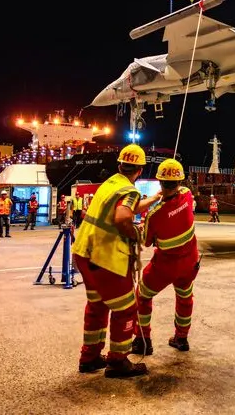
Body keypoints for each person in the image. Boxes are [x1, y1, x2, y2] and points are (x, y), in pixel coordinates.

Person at [70, 144, 160, 378]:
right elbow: (123, 217)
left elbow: (125, 208)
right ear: (139, 170)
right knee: (126, 309)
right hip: (105, 257)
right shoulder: (128, 191)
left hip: (84, 253)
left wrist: (153, 199)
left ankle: (89, 357)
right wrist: (136, 234)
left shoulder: (110, 185)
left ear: (120, 165)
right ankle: (118, 361)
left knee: (97, 306)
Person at [132, 159, 199, 355]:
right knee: (185, 298)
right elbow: (180, 193)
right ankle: (182, 338)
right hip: (189, 264)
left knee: (142, 296)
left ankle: (143, 340)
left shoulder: (154, 215)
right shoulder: (187, 195)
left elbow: (146, 241)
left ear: (160, 183)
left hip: (164, 267)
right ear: (180, 182)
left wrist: (152, 203)